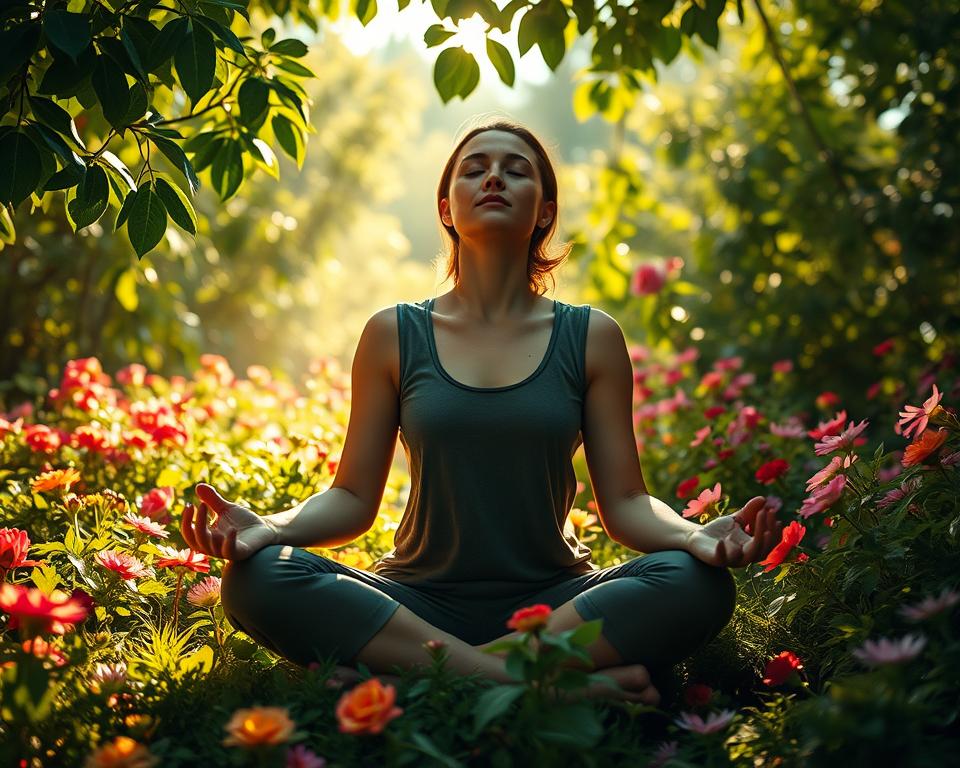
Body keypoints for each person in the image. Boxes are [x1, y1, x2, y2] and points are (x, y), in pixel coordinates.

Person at [180, 119, 783, 706]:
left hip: (558, 603)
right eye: (476, 169)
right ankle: (537, 682)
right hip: (415, 601)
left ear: (544, 209)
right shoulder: (394, 332)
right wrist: (273, 528)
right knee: (260, 577)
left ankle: (412, 677)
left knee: (694, 582)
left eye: (515, 171)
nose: (494, 177)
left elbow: (625, 504)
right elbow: (351, 499)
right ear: (447, 207)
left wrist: (693, 535)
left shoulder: (591, 336)